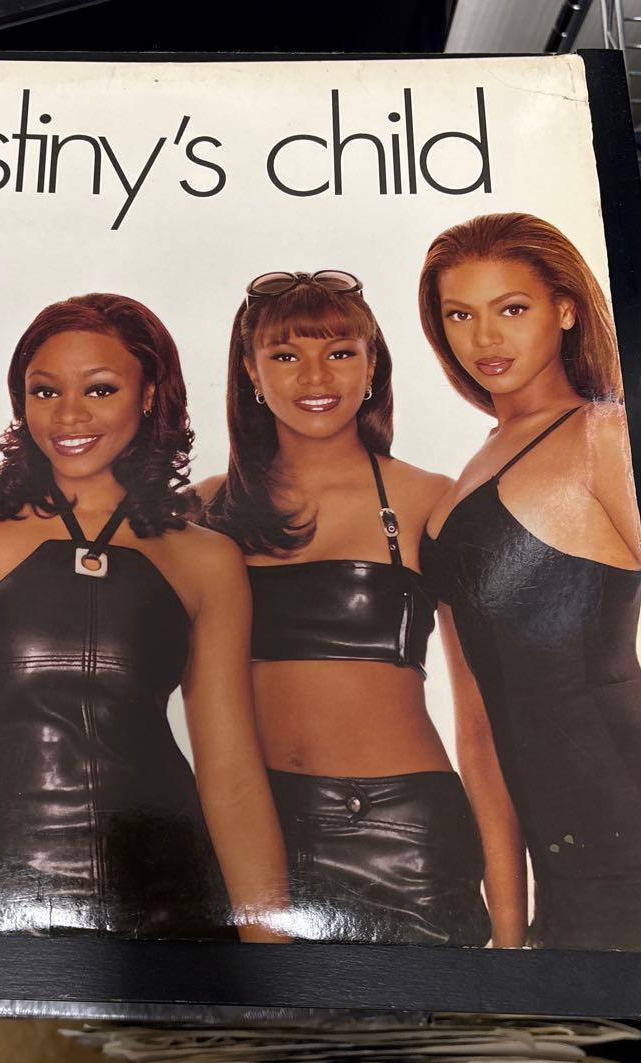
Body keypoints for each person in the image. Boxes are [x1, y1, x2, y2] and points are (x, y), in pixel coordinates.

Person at [0, 292, 288, 940]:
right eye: (45, 391)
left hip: (170, 901)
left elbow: (232, 773)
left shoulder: (205, 558)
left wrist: (272, 950)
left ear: (150, 394)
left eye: (100, 390)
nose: (68, 415)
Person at [418, 212, 641, 950]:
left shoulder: (606, 437)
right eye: (460, 315)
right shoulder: (471, 470)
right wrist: (508, 931)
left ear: (565, 309)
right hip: (558, 865)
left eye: (511, 309)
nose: (485, 338)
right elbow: (476, 727)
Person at [199, 270, 493, 946]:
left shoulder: (430, 500)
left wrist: (510, 918)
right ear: (251, 372)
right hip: (251, 830)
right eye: (285, 355)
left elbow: (483, 723)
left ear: (371, 366)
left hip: (405, 836)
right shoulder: (207, 510)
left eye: (339, 351)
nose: (315, 376)